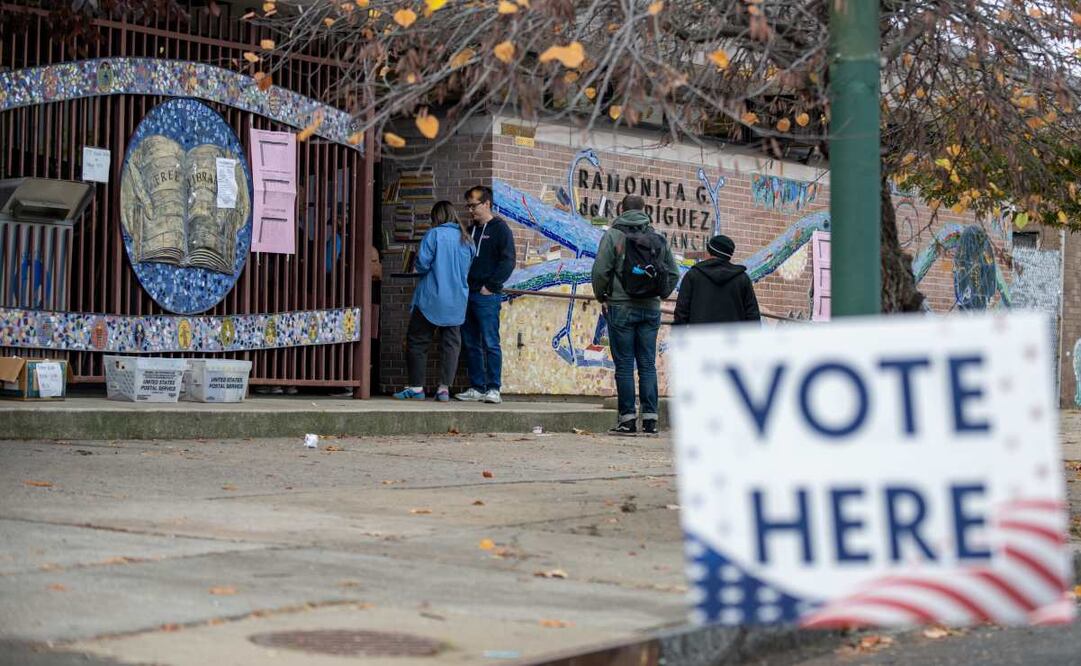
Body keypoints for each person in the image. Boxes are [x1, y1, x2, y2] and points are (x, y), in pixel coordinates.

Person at [591, 195, 679, 436]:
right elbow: (673, 272)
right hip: (650, 309)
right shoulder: (657, 237)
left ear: (621, 210)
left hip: (621, 306)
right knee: (648, 364)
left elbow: (600, 270)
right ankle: (651, 421)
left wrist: (602, 296)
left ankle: (627, 421)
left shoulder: (613, 235)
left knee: (624, 365)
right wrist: (660, 294)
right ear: (644, 210)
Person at [394, 200, 475, 401]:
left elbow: (422, 264)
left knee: (417, 341)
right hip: (456, 301)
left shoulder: (434, 235)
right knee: (451, 346)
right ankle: (444, 389)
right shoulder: (467, 239)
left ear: (435, 217)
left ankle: (416, 388)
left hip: (431, 299)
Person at [455, 185, 516, 404]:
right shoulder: (470, 230)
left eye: (474, 205)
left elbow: (508, 261)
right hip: (467, 293)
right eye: (468, 206)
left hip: (487, 295)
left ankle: (493, 388)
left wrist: (490, 286)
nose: (470, 210)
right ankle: (477, 387)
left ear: (487, 203)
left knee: (490, 342)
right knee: (470, 342)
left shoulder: (500, 229)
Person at [673, 234, 761, 326]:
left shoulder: (693, 275)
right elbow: (753, 314)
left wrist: (678, 335)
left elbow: (681, 311)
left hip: (699, 338)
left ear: (709, 252)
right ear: (729, 255)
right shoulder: (742, 278)